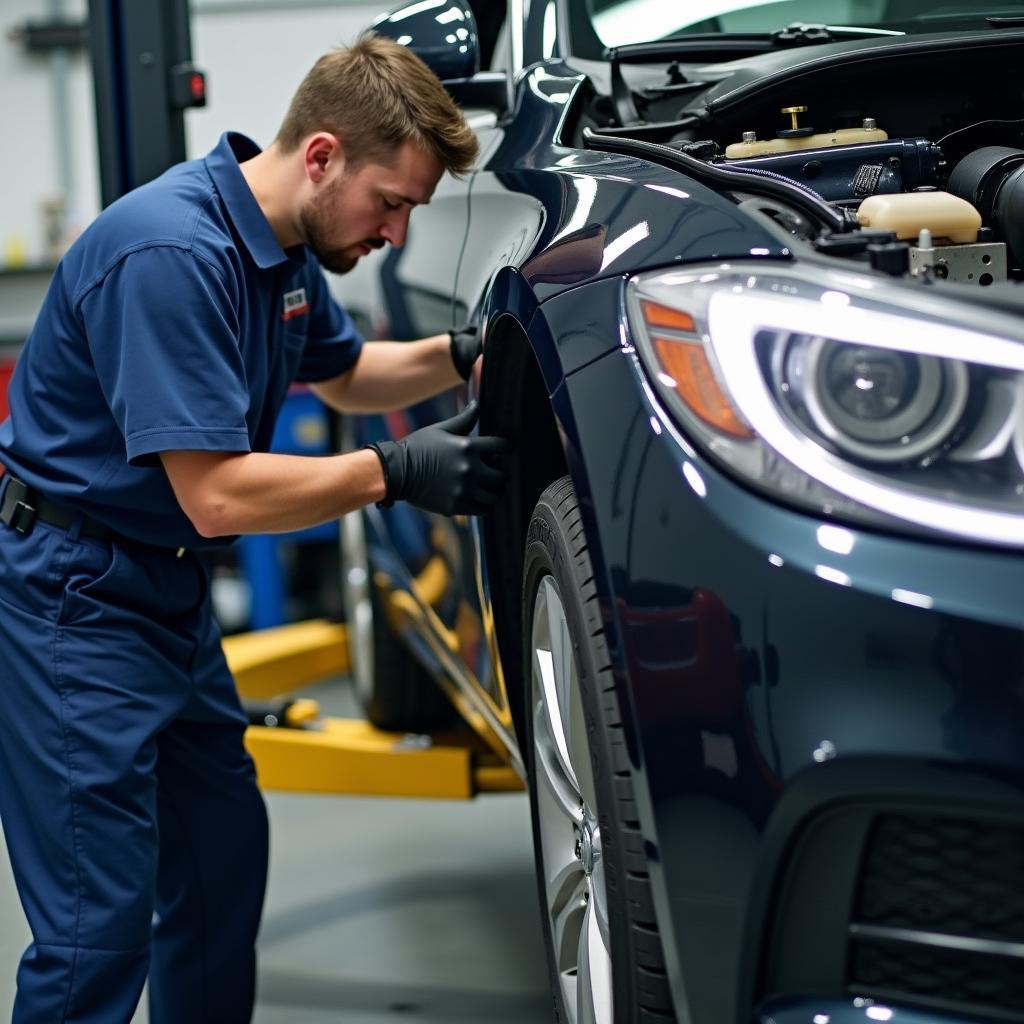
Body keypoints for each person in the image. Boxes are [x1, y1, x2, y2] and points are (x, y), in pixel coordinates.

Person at [0, 34, 508, 1024]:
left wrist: (465, 352)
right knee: (93, 928)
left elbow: (348, 374)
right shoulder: (171, 254)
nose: (397, 235)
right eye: (390, 204)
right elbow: (218, 496)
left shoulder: (281, 244)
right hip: (74, 595)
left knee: (219, 860)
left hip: (163, 588)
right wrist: (394, 470)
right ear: (320, 157)